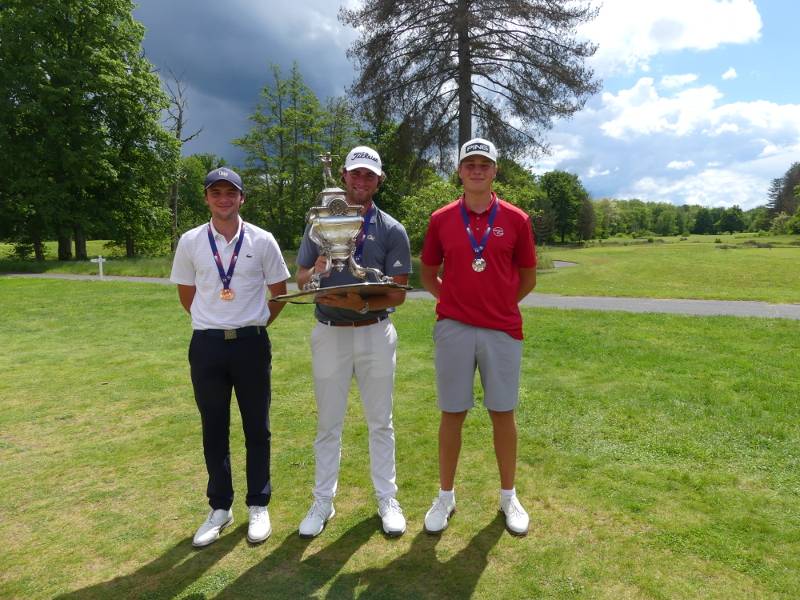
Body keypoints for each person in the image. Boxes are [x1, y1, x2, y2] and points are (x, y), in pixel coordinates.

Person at [419, 138, 537, 536]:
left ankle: (508, 496)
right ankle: (445, 496)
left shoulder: (517, 219)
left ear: (495, 171)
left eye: (484, 164)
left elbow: (528, 277)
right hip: (453, 328)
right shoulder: (441, 219)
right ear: (459, 171)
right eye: (469, 164)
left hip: (502, 329)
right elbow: (428, 273)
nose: (476, 170)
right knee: (452, 412)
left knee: (502, 412)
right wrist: (454, 303)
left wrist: (498, 305)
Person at [295, 146, 411, 538]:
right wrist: (316, 269)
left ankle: (387, 499)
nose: (361, 181)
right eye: (356, 173)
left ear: (379, 181)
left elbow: (397, 293)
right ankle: (322, 501)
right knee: (328, 424)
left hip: (375, 330)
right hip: (329, 332)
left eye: (369, 175)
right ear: (344, 175)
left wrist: (359, 303)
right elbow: (301, 280)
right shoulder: (320, 222)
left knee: (381, 422)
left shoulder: (391, 229)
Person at [170, 167, 290, 547]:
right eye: (216, 192)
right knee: (213, 427)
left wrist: (254, 324)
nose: (223, 199)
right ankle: (220, 507)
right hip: (207, 346)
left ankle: (258, 503)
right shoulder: (191, 241)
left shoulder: (262, 240)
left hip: (251, 344)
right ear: (206, 198)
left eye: (230, 193)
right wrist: (213, 322)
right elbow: (187, 294)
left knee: (258, 427)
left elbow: (279, 291)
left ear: (242, 198)